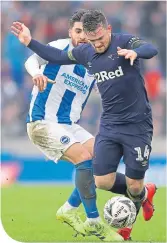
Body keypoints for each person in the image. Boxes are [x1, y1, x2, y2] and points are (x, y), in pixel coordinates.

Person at [11, 9, 158, 240]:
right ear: (73, 32)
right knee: (85, 160)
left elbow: (150, 49)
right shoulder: (73, 49)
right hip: (44, 121)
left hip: (85, 124)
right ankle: (93, 221)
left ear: (107, 30)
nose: (88, 40)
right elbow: (41, 56)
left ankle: (135, 195)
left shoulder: (108, 48)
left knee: (103, 177)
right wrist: (32, 52)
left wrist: (135, 52)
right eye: (80, 33)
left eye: (91, 36)